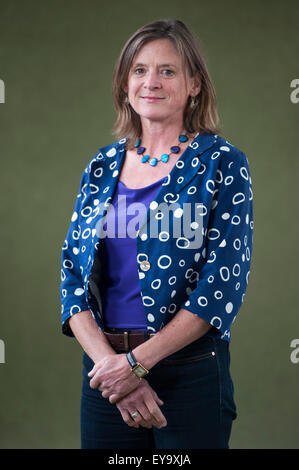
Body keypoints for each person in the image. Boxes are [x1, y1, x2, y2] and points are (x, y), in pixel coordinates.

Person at [59, 18, 254, 449]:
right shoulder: (101, 165)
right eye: (139, 70)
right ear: (125, 83)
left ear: (195, 84)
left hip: (189, 371)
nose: (152, 81)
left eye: (167, 70)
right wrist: (116, 369)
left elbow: (219, 288)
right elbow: (72, 278)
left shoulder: (222, 163)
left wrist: (138, 365)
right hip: (104, 373)